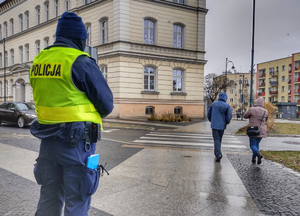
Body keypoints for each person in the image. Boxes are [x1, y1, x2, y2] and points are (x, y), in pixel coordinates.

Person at [29, 12, 114, 216]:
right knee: (77, 202)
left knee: (48, 199)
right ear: (79, 38)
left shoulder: (39, 61)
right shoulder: (80, 62)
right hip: (77, 146)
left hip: (47, 144)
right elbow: (107, 104)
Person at [207, 92, 232, 162]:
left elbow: (208, 114)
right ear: (225, 98)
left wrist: (211, 120)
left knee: (216, 139)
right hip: (222, 126)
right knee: (219, 139)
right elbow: (229, 116)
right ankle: (218, 153)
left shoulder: (213, 104)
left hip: (214, 125)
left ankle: (217, 154)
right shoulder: (227, 106)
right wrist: (226, 122)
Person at [243, 97, 268, 165]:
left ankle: (258, 155)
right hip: (262, 130)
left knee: (252, 145)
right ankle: (254, 158)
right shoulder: (265, 111)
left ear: (256, 102)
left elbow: (245, 116)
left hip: (253, 129)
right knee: (257, 144)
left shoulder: (252, 109)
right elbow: (266, 119)